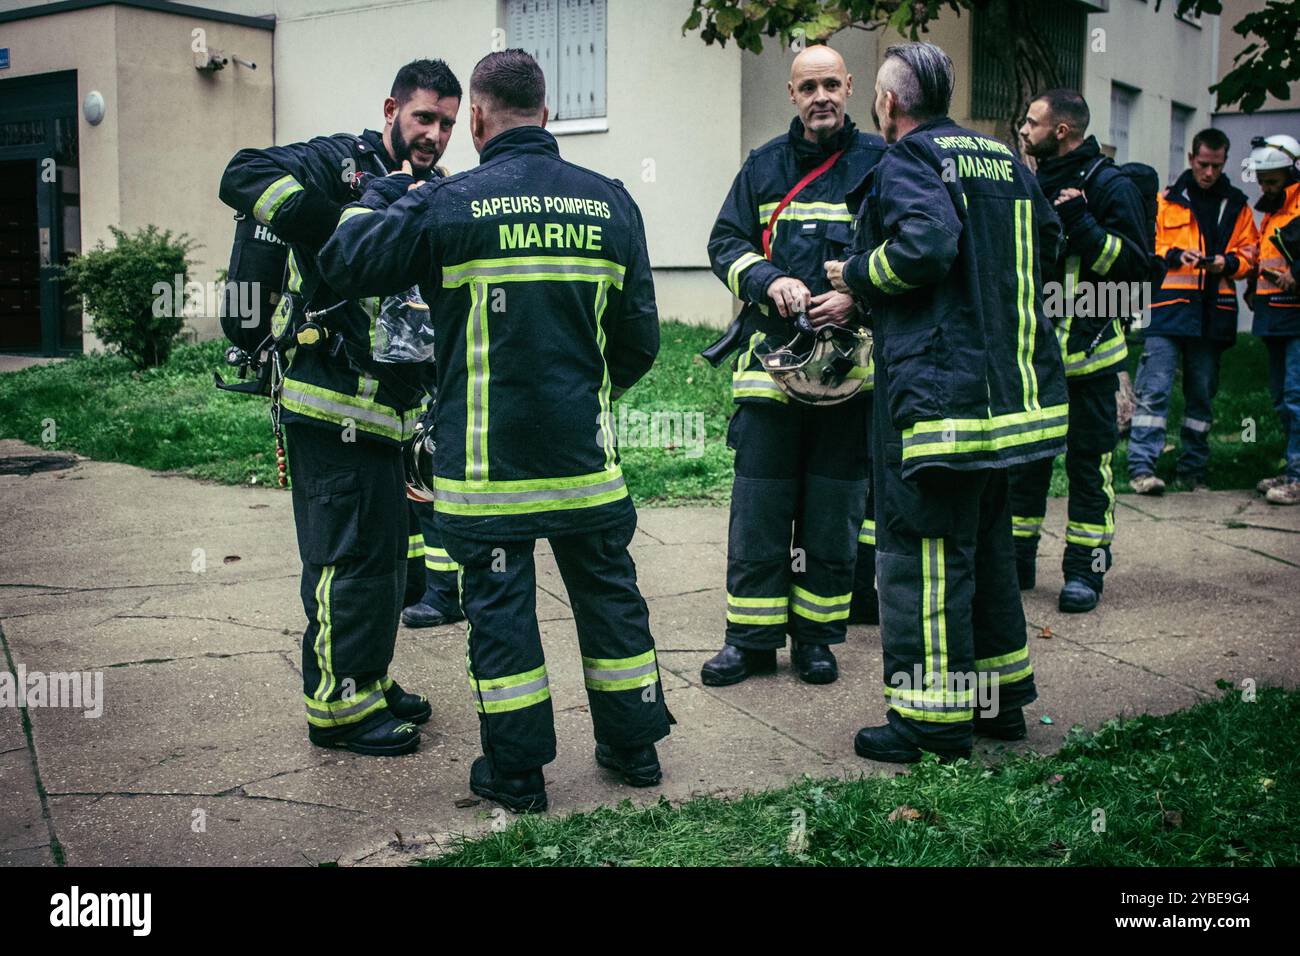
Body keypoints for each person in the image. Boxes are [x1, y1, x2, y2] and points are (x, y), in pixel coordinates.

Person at [318, 49, 670, 813]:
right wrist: (587, 392)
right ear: (547, 115)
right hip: (586, 466)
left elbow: (347, 260)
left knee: (502, 615)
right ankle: (635, 747)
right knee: (610, 596)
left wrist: (371, 195)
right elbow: (640, 339)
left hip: (488, 471)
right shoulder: (611, 202)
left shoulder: (450, 203)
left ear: (475, 118)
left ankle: (517, 774)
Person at [827, 42, 1068, 763]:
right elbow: (1048, 242)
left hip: (940, 406)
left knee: (925, 552)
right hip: (1011, 404)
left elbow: (927, 247)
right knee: (989, 550)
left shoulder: (910, 159)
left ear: (890, 103)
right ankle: (1000, 705)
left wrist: (858, 275)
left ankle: (930, 723)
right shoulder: (1005, 161)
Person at [218, 59, 462, 756]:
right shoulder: (335, 163)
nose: (436, 134)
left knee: (388, 563)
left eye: (447, 123)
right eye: (423, 118)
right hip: (327, 405)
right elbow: (240, 173)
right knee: (345, 558)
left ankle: (369, 681)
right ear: (392, 109)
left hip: (390, 416)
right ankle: (338, 709)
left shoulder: (432, 189)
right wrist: (342, 228)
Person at [702, 45, 886, 688]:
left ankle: (816, 640)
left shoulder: (882, 165)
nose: (821, 97)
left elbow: (911, 252)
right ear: (791, 93)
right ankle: (748, 641)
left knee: (832, 517)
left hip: (847, 379)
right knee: (758, 512)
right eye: (808, 86)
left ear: (851, 86)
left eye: (831, 83)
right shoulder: (764, 166)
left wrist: (857, 293)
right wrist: (766, 278)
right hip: (770, 377)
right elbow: (724, 242)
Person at [1010, 90, 1151, 613]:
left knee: (1089, 468)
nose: (1024, 129)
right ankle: (1016, 561)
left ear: (1062, 130)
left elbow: (1139, 272)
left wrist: (1087, 229)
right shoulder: (1028, 181)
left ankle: (1084, 573)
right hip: (1032, 360)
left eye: (1033, 122)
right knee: (1023, 465)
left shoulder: (1110, 186)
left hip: (1091, 361)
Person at [1128, 129, 1259, 494]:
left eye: (1216, 166)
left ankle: (1193, 472)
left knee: (1201, 396)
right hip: (1168, 313)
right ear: (1191, 159)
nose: (1209, 173)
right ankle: (1142, 469)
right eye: (1203, 164)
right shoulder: (1166, 202)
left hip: (1212, 315)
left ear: (1224, 162)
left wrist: (1227, 263)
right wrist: (1172, 256)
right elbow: (1148, 243)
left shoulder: (1236, 205)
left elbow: (1251, 253)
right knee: (1154, 391)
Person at [1245, 134, 1300, 505]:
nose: (1265, 187)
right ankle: (1294, 467)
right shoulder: (1273, 213)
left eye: (1273, 181)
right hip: (1274, 315)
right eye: (1262, 180)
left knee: (1297, 396)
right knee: (1282, 398)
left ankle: (1298, 475)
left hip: (1295, 317)